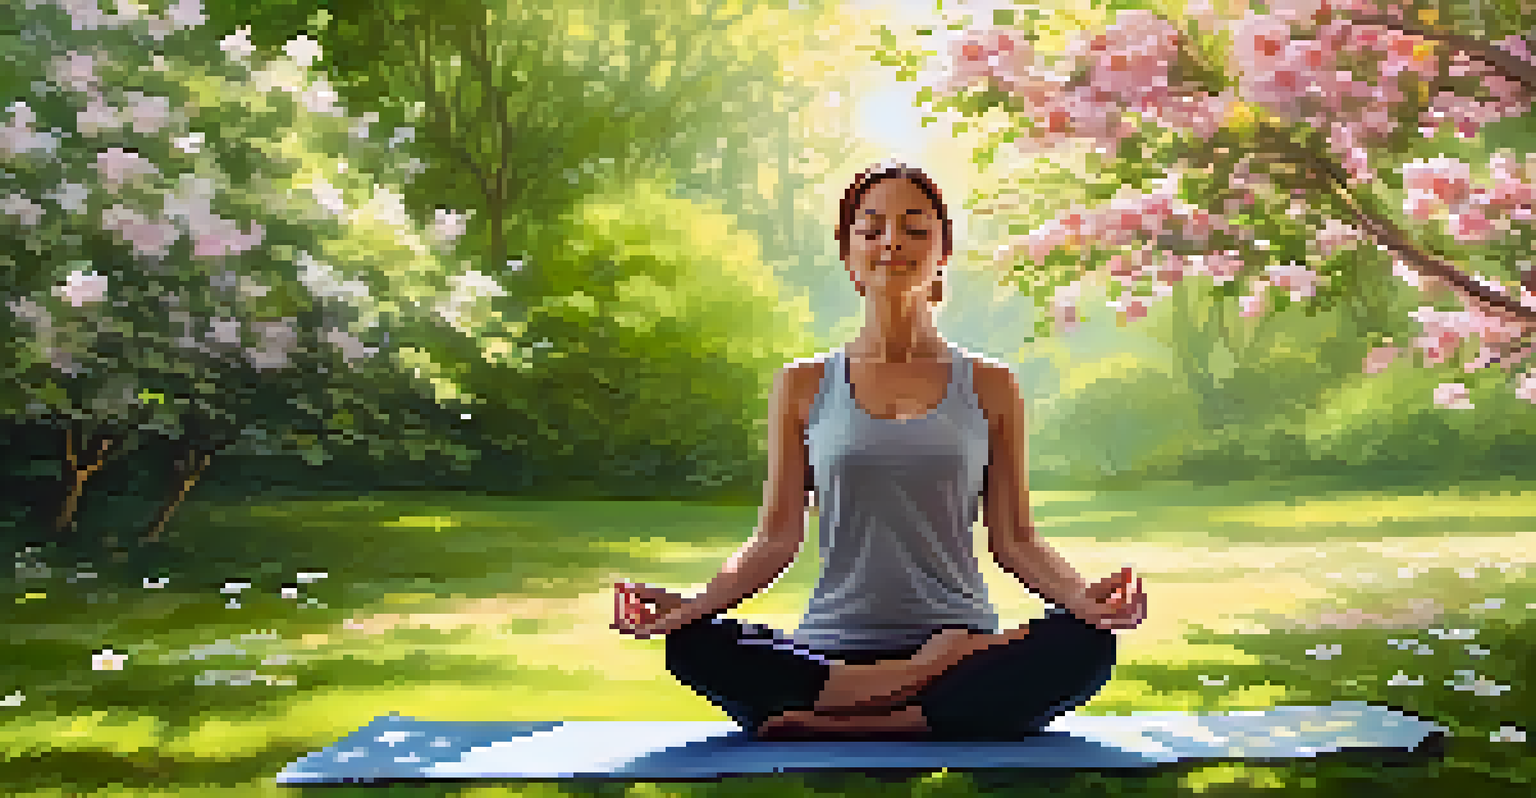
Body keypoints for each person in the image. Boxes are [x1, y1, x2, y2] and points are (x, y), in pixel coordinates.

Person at [611, 161, 1147, 742]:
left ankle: (846, 719)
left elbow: (1016, 541)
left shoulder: (991, 386)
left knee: (1084, 645)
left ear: (943, 251)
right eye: (872, 229)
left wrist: (1083, 602)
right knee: (693, 645)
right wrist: (694, 605)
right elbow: (774, 540)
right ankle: (915, 697)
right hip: (839, 654)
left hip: (960, 637)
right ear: (848, 253)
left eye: (915, 229)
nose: (892, 241)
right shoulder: (803, 385)